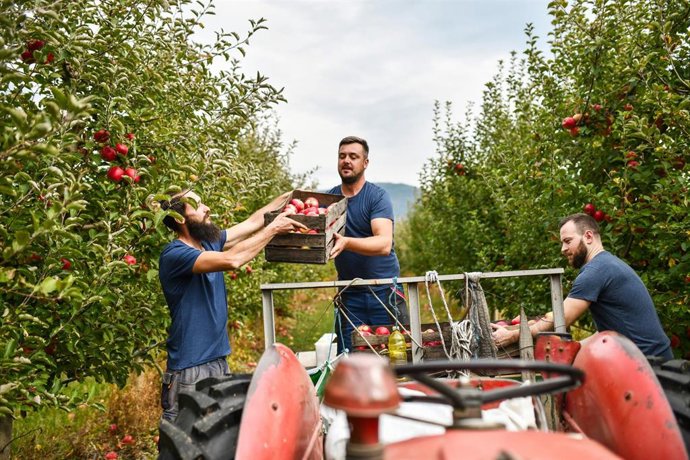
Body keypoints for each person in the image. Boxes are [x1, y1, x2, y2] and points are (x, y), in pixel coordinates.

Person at [157, 189, 304, 421]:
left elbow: (253, 221)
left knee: (217, 442)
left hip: (218, 361)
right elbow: (232, 259)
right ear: (180, 220)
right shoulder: (175, 255)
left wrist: (292, 195)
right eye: (198, 205)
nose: (207, 208)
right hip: (189, 370)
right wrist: (274, 229)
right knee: (185, 442)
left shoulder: (208, 243)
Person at [491, 213, 672, 360]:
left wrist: (513, 335)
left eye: (568, 241)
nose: (562, 249)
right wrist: (572, 350)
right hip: (653, 358)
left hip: (649, 365)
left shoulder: (596, 271)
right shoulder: (607, 264)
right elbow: (606, 333)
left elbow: (560, 320)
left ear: (588, 236)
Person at [327, 136, 408, 354]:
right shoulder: (329, 201)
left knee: (394, 358)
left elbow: (383, 243)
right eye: (342, 156)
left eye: (353, 156)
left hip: (384, 292)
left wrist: (346, 242)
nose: (346, 161)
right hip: (350, 294)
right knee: (349, 361)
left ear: (365, 163)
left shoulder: (377, 197)